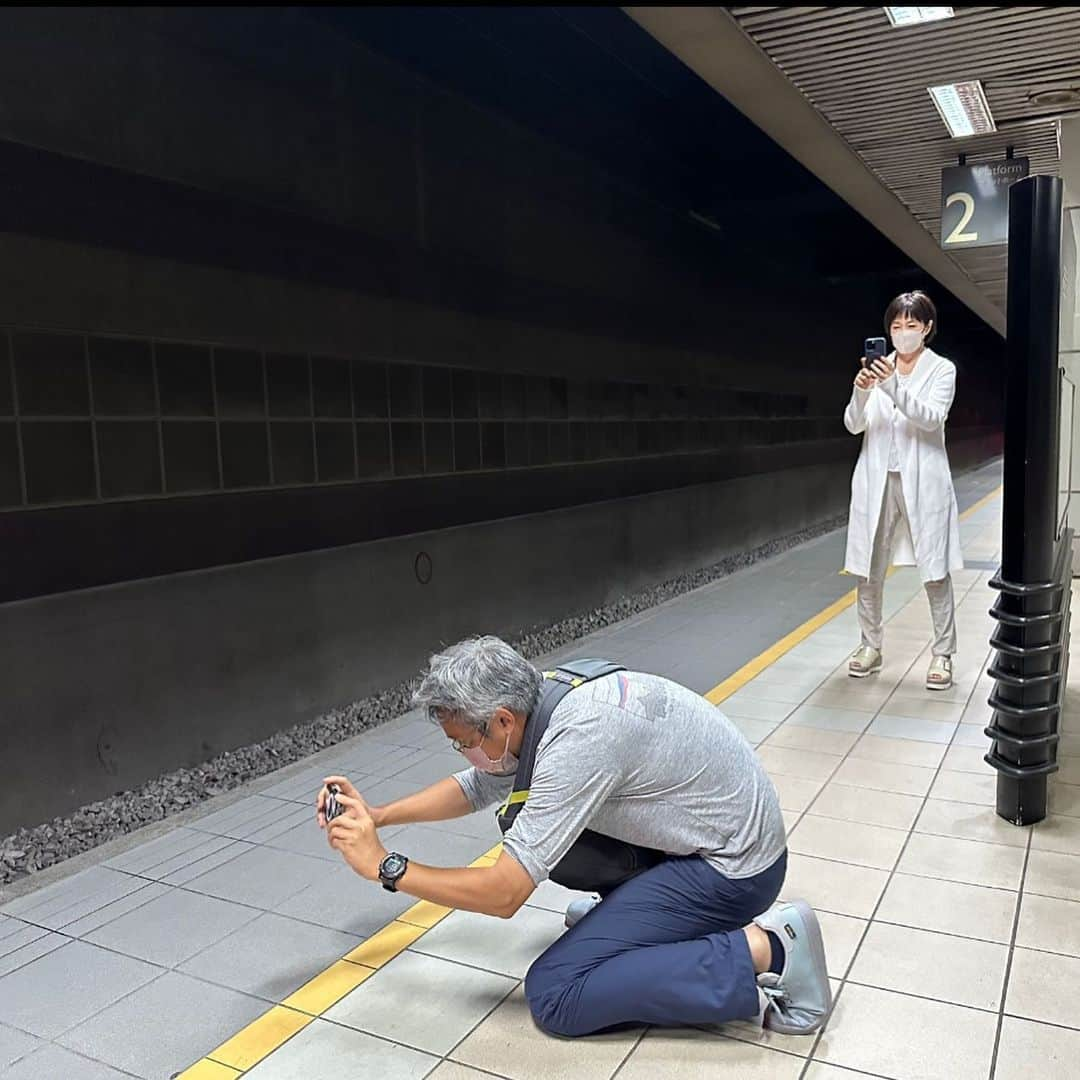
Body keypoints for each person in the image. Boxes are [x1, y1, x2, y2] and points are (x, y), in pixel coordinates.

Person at [316, 636, 831, 1038]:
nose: (464, 754)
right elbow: (478, 786)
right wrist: (379, 815)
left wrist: (387, 867)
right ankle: (629, 917)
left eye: (463, 742)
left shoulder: (579, 740)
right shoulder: (545, 697)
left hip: (734, 872)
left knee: (558, 993)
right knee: (544, 835)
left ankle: (774, 950)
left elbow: (504, 894)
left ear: (500, 720)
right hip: (698, 842)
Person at [844, 290, 963, 689]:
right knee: (868, 569)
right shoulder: (878, 370)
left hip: (922, 481)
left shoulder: (942, 370)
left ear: (927, 328)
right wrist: (863, 389)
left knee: (934, 568)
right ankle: (869, 646)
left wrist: (892, 385)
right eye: (896, 326)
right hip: (877, 479)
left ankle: (943, 654)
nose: (903, 333)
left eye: (912, 326)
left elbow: (930, 419)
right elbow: (853, 424)